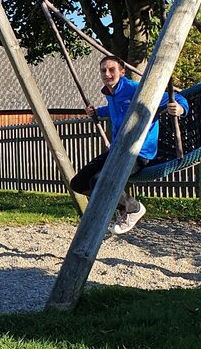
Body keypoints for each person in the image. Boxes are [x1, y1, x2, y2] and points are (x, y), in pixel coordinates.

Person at [70, 55, 188, 234]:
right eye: (103, 70)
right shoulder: (111, 94)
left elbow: (178, 98)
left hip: (139, 152)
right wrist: (96, 112)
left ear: (122, 72)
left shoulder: (137, 90)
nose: (107, 74)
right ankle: (119, 205)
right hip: (118, 149)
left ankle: (133, 208)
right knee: (78, 183)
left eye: (112, 70)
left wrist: (179, 109)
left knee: (99, 181)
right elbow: (116, 110)